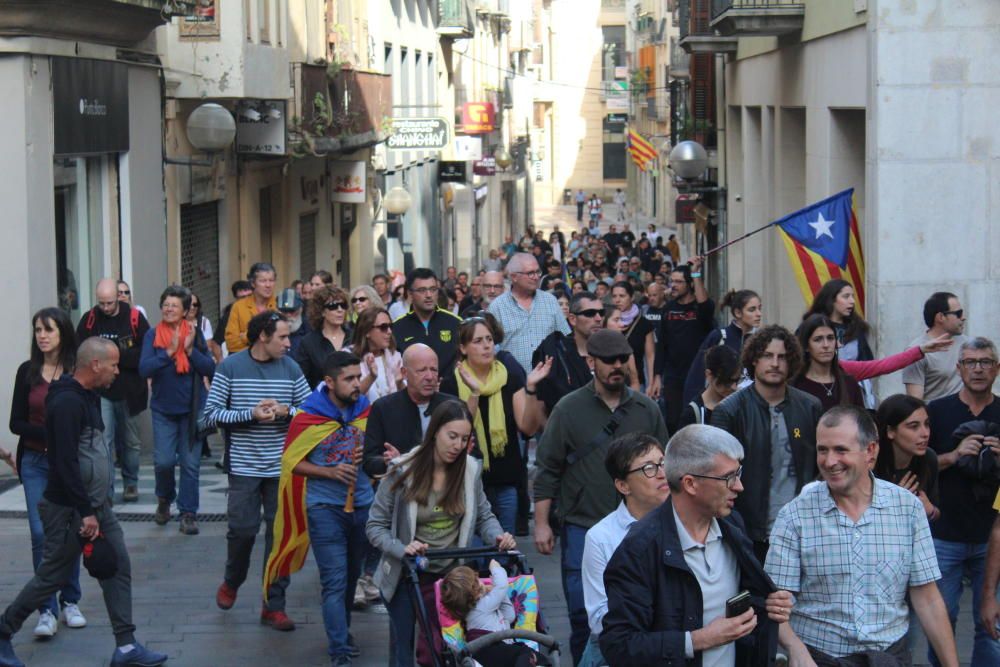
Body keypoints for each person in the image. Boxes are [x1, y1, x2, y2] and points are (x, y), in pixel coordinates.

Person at [0, 338, 168, 667]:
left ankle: (126, 646)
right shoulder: (65, 403)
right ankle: (3, 630)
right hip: (70, 510)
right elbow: (64, 462)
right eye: (114, 365)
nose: (118, 372)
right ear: (95, 364)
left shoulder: (88, 396)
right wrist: (85, 512)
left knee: (117, 565)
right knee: (52, 577)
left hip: (95, 507)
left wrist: (95, 507)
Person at [766, 406, 959, 667]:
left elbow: (927, 597)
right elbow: (774, 604)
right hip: (819, 658)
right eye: (823, 450)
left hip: (889, 657)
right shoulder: (794, 515)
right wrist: (795, 649)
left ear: (870, 451)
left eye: (841, 450)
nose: (829, 461)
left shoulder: (907, 508)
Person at [600, 424, 792, 667]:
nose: (739, 486)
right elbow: (619, 646)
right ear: (690, 484)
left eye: (738, 473)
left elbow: (744, 601)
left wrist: (767, 604)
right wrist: (698, 640)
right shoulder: (639, 550)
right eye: (727, 477)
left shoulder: (731, 525)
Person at [533, 329, 670, 664]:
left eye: (623, 359)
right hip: (583, 523)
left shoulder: (646, 409)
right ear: (591, 361)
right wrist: (541, 524)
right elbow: (547, 467)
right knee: (583, 618)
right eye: (609, 360)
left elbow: (667, 465)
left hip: (641, 526)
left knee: (642, 614)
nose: (617, 366)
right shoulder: (568, 408)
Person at [366, 400, 515, 667]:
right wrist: (404, 548)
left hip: (451, 578)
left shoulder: (469, 471)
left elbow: (484, 515)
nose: (457, 445)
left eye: (464, 438)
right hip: (406, 574)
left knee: (442, 649)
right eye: (452, 436)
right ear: (435, 432)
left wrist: (498, 536)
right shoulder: (402, 470)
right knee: (404, 648)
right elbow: (374, 526)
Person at [204, 312, 310, 631]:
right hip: (244, 467)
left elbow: (310, 413)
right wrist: (250, 414)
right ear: (263, 337)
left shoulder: (291, 368)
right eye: (282, 337)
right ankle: (232, 580)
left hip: (282, 468)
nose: (289, 343)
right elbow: (210, 416)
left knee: (280, 537)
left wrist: (284, 411)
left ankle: (273, 604)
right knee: (243, 531)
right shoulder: (231, 367)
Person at [264, 351, 371, 666]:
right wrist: (330, 472)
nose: (356, 384)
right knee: (335, 579)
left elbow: (378, 452)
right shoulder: (308, 415)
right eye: (349, 379)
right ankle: (338, 648)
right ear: (329, 382)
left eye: (358, 376)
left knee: (352, 577)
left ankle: (343, 631)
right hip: (324, 507)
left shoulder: (364, 408)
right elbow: (292, 462)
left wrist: (375, 455)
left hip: (361, 504)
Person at [710, 325, 823, 559]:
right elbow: (717, 477)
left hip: (803, 530)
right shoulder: (730, 411)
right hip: (750, 534)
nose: (775, 363)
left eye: (782, 357)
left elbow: (820, 465)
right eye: (767, 356)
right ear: (753, 360)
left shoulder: (810, 407)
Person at [9, 308, 85, 637]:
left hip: (67, 464)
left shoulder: (74, 371)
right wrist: (53, 432)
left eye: (48, 330)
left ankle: (70, 601)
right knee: (41, 534)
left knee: (68, 533)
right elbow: (16, 423)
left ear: (62, 333)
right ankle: (46, 608)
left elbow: (87, 417)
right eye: (38, 329)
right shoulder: (27, 371)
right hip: (35, 463)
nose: (41, 335)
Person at [925, 337, 1000, 666]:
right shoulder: (938, 411)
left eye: (985, 362)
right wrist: (954, 456)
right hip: (945, 533)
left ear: (997, 369)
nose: (978, 369)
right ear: (959, 368)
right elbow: (921, 464)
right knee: (942, 620)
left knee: (991, 624)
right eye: (971, 362)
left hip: (993, 534)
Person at [440, 318, 550, 533]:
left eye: (489, 339)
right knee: (473, 553)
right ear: (463, 348)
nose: (487, 345)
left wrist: (532, 389)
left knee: (503, 550)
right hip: (467, 482)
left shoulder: (508, 377)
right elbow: (461, 431)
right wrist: (473, 392)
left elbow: (527, 428)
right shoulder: (451, 383)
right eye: (478, 341)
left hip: (505, 479)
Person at [579, 433, 669, 667]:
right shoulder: (601, 537)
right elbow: (599, 620)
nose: (662, 473)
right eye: (648, 468)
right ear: (622, 485)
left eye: (663, 462)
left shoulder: (687, 522)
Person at [138, 285, 216, 535]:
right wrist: (170, 352)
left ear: (185, 311)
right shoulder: (152, 335)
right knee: (163, 461)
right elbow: (144, 369)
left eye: (175, 305)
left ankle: (188, 513)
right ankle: (164, 497)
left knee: (191, 464)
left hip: (193, 408)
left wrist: (190, 350)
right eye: (166, 304)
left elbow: (209, 369)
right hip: (163, 408)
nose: (169, 309)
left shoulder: (195, 334)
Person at [75, 278, 150, 503]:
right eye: (101, 303)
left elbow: (144, 354)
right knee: (103, 441)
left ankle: (131, 483)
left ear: (118, 297)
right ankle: (105, 489)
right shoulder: (89, 319)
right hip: (100, 392)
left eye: (109, 302)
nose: (106, 308)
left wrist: (115, 356)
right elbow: (81, 352)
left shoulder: (135, 318)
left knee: (131, 441)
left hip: (129, 390)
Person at [361, 344, 458, 480]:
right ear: (405, 373)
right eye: (422, 370)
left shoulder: (454, 406)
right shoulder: (383, 408)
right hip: (399, 491)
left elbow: (476, 455)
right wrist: (389, 462)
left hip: (445, 488)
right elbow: (369, 462)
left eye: (434, 370)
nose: (430, 376)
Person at [439, 560, 547, 667]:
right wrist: (496, 569)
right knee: (525, 652)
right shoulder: (482, 605)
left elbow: (509, 616)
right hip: (490, 647)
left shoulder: (480, 609)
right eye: (477, 580)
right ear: (476, 588)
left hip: (490, 652)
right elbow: (502, 586)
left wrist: (501, 596)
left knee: (525, 653)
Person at [654, 258, 715, 432]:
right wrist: (657, 376)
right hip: (673, 377)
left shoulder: (700, 308)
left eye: (679, 282)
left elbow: (706, 306)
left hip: (697, 375)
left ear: (690, 284)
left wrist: (696, 272)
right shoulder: (668, 309)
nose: (673, 285)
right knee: (673, 421)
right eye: (672, 281)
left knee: (696, 421)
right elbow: (662, 345)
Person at [488, 253, 571, 374]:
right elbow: (491, 348)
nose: (536, 277)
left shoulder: (550, 301)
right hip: (514, 385)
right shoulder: (497, 307)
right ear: (514, 277)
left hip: (550, 382)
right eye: (530, 273)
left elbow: (565, 339)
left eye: (538, 272)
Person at [682, 288, 761, 404]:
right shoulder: (720, 336)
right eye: (752, 310)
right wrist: (694, 407)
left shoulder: (760, 340)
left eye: (760, 308)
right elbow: (697, 373)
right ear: (738, 313)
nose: (759, 314)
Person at [531, 292, 603, 416]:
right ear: (572, 319)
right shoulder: (554, 353)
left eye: (601, 313)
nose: (598, 318)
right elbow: (541, 406)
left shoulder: (612, 350)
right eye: (590, 313)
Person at [874, 394, 940, 521]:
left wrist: (929, 510)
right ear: (890, 431)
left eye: (927, 424)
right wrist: (895, 501)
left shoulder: (929, 457)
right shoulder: (871, 463)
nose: (925, 433)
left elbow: (934, 511)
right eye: (914, 426)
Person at [391, 268, 462, 374]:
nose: (429, 295)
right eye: (422, 290)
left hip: (449, 389)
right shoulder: (397, 327)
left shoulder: (455, 323)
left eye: (433, 289)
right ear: (410, 294)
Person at [904, 291, 968, 401]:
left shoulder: (968, 344)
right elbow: (915, 402)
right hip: (936, 416)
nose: (963, 317)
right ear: (941, 317)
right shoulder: (916, 352)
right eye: (958, 313)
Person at [793, 314, 865, 411]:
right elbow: (795, 425)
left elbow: (860, 422)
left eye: (830, 338)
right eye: (818, 339)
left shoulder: (849, 383)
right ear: (806, 346)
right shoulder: (796, 385)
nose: (826, 345)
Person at [296, 286, 352, 389]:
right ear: (321, 311)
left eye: (343, 305)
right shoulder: (309, 342)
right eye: (333, 306)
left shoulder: (354, 337)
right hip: (321, 400)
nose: (340, 310)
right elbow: (303, 381)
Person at [677, 345, 742, 428]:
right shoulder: (693, 414)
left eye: (737, 381)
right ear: (709, 375)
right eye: (726, 381)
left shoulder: (739, 407)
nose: (734, 387)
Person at [351, 307, 403, 405]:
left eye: (390, 326)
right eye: (383, 327)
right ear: (367, 331)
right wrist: (371, 377)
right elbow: (349, 396)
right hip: (362, 418)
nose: (389, 331)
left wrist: (400, 383)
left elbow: (409, 395)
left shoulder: (395, 357)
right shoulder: (349, 357)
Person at [611, 281, 655, 393]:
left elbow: (650, 356)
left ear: (632, 297)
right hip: (610, 382)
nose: (617, 300)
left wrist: (651, 383)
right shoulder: (607, 321)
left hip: (636, 383)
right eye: (614, 296)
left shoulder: (644, 323)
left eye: (622, 296)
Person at [225, 262, 278, 354]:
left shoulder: (279, 306)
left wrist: (244, 337)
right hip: (245, 361)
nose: (268, 285)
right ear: (253, 283)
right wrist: (255, 336)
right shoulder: (239, 307)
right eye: (263, 281)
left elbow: (281, 342)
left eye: (271, 280)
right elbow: (231, 344)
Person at [603, 305, 642, 392]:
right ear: (603, 322)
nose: (621, 324)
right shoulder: (593, 346)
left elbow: (634, 379)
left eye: (621, 319)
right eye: (616, 320)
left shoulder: (625, 346)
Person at [213, 280, 253, 357]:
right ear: (236, 299)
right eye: (242, 297)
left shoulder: (261, 310)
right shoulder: (228, 317)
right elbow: (216, 343)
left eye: (249, 296)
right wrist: (221, 364)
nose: (247, 300)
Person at [277, 287, 310, 356]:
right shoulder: (272, 331)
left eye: (292, 311)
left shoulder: (310, 331)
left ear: (300, 309)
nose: (288, 315)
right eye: (284, 311)